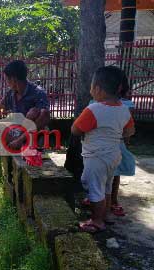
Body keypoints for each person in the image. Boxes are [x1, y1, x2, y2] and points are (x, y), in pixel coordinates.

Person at [71, 66, 135, 233]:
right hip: (114, 155)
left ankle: (97, 220)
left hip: (96, 157)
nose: (91, 90)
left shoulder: (93, 109)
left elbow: (75, 130)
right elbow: (130, 131)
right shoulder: (124, 109)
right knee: (106, 186)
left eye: (92, 87)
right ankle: (106, 215)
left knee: (94, 187)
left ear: (98, 89)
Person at [0, 60, 50, 149]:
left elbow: (45, 116)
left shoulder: (38, 92)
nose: (6, 82)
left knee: (33, 112)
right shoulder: (12, 93)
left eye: (6, 79)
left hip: (31, 134)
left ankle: (19, 142)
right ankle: (13, 141)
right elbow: (1, 104)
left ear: (13, 79)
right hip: (16, 130)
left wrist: (20, 139)